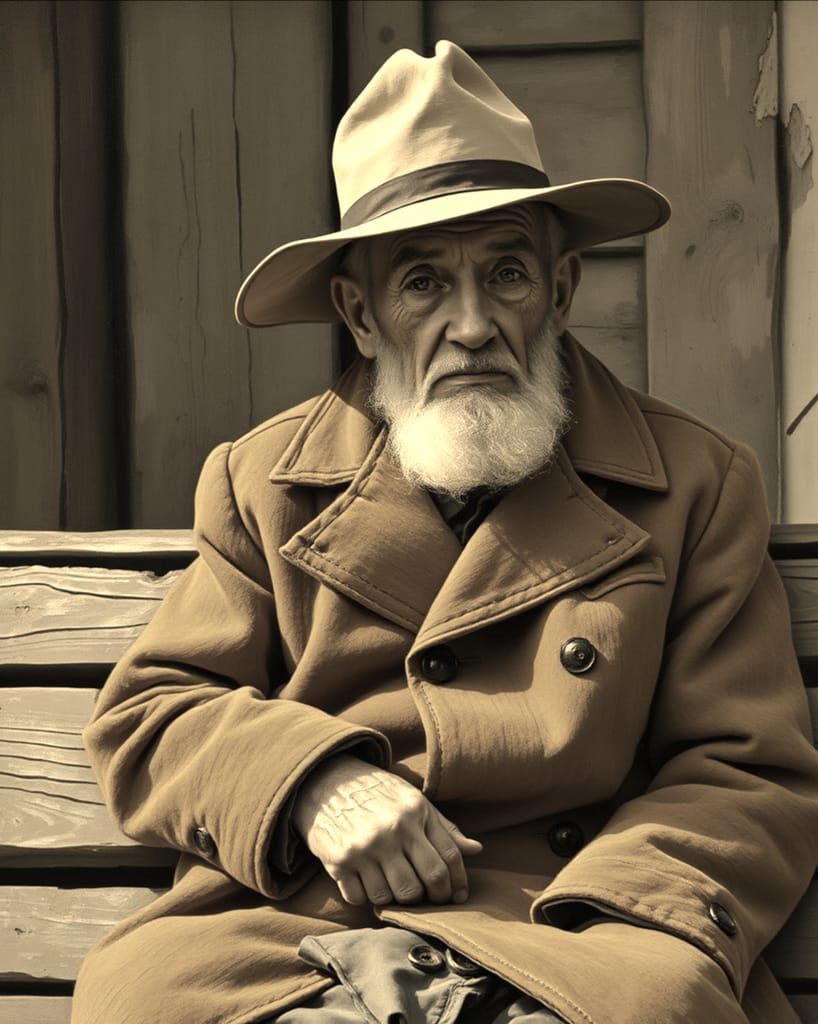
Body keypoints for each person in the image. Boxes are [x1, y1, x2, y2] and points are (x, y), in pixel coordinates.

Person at [71, 40, 818, 1024]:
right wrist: (310, 782)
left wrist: (623, 917)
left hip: (575, 926)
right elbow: (152, 715)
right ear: (361, 313)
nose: (470, 325)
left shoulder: (693, 483)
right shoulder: (259, 483)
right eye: (423, 283)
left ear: (558, 294)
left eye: (505, 275)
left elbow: (744, 770)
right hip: (304, 926)